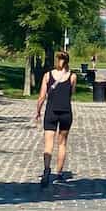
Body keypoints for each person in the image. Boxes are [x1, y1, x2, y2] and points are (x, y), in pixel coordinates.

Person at [35, 51, 77, 188]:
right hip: (66, 112)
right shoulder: (72, 76)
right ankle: (59, 173)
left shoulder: (47, 75)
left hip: (51, 112)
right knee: (62, 144)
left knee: (48, 144)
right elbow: (71, 93)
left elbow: (42, 97)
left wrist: (38, 111)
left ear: (56, 60)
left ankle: (47, 170)